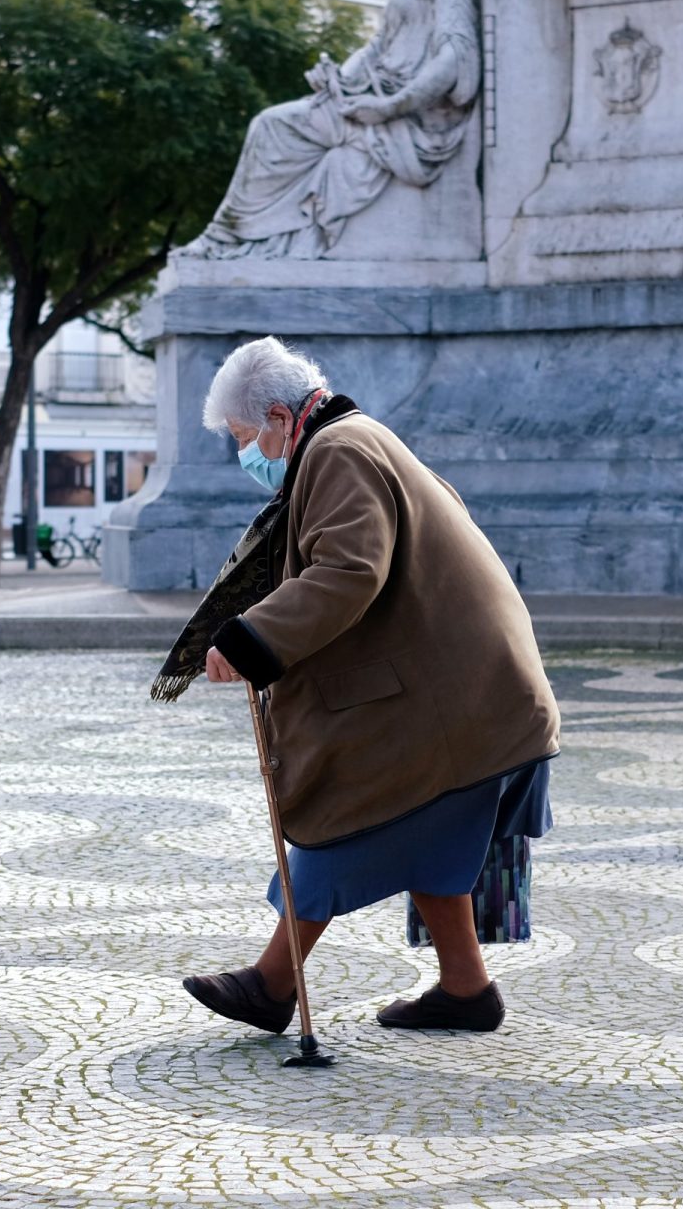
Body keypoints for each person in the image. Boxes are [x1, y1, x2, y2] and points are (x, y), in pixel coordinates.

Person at [178, 337, 558, 1034]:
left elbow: (350, 570)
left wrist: (250, 637)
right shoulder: (357, 438)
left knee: (349, 828)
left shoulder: (336, 451)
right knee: (428, 833)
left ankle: (270, 983)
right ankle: (466, 990)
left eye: (243, 438)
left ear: (276, 416)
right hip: (480, 699)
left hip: (466, 705)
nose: (246, 456)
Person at [175, 0, 480, 259]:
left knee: (273, 126)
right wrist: (338, 77)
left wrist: (390, 106)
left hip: (408, 115)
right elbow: (377, 47)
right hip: (374, 94)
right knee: (273, 124)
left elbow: (456, 56)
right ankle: (239, 238)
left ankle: (228, 239)